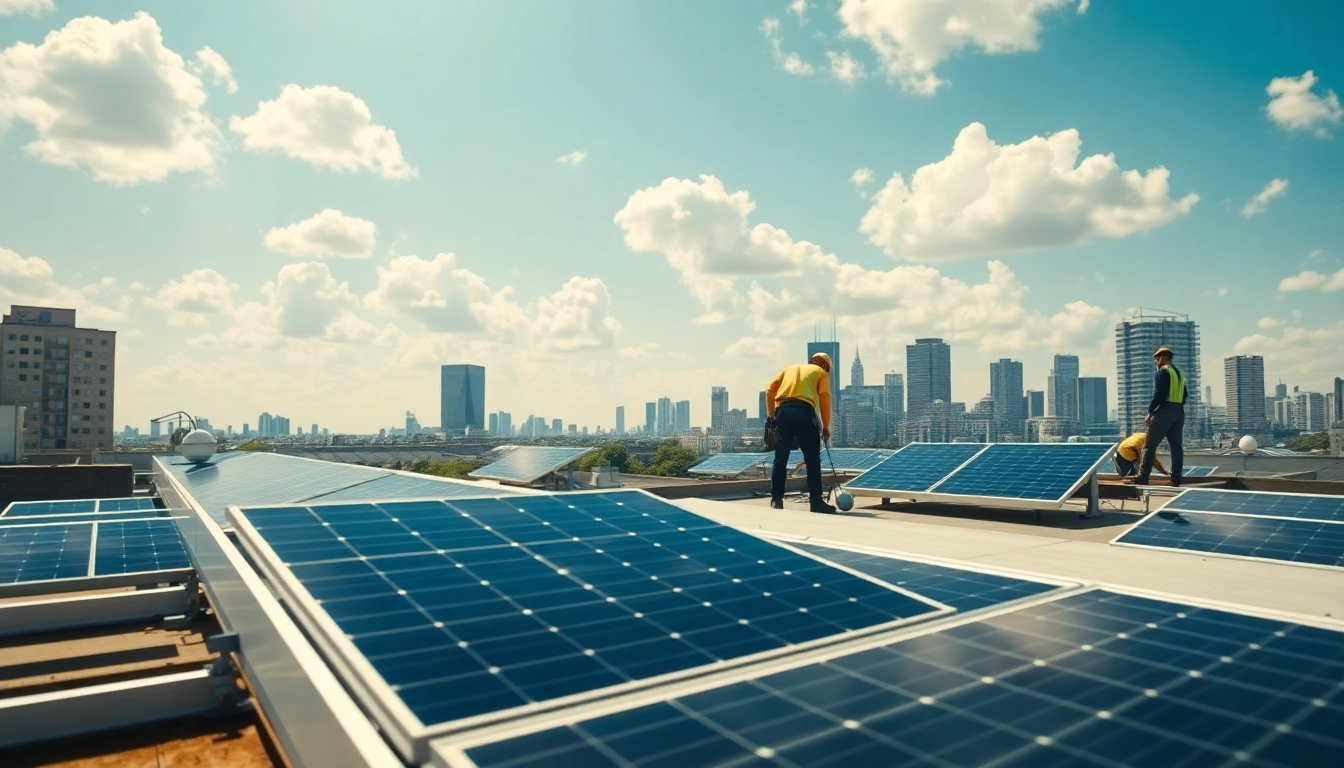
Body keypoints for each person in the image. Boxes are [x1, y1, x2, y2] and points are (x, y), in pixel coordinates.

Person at [765, 352, 835, 513]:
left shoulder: (790, 369)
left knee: (780, 458)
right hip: (804, 413)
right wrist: (825, 427)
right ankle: (816, 502)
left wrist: (771, 417)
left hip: (782, 412)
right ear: (825, 366)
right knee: (812, 459)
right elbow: (824, 397)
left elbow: (770, 390)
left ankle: (776, 500)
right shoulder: (821, 372)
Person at [1128, 346, 1187, 486]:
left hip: (1165, 411)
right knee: (1176, 447)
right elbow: (1185, 396)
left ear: (1163, 358)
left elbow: (1159, 394)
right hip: (1179, 412)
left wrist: (1150, 412)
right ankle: (1176, 478)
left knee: (1149, 445)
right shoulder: (1179, 374)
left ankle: (1143, 477)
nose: (1155, 361)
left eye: (1156, 358)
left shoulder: (1163, 371)